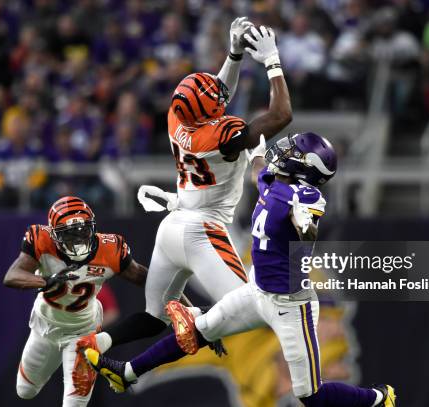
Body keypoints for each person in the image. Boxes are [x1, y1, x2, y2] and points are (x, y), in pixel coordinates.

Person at [84, 132, 396, 406]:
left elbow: (307, 225)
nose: (284, 152)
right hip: (258, 291)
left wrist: (304, 221)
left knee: (309, 395)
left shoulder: (307, 196)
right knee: (199, 332)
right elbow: (260, 175)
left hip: (291, 306)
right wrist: (256, 154)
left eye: (293, 152)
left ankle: (378, 399)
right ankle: (127, 372)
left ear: (305, 167)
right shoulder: (276, 182)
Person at [74, 18, 293, 362]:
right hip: (203, 232)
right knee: (255, 308)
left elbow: (217, 95)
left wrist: (234, 54)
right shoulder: (223, 136)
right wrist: (271, 60)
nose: (221, 93)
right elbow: (280, 115)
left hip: (172, 228)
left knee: (152, 317)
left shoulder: (178, 118)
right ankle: (198, 321)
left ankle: (91, 345)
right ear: (212, 113)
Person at [2, 196, 148, 406]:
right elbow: (11, 276)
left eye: (83, 232)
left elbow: (146, 278)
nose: (78, 241)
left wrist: (179, 298)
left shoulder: (110, 249)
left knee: (75, 404)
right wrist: (45, 281)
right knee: (25, 390)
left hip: (83, 333)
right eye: (69, 236)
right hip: (46, 326)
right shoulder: (41, 240)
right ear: (53, 234)